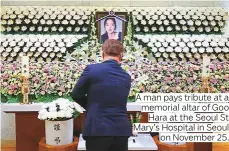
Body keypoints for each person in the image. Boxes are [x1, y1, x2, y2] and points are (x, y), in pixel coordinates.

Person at [71, 39, 132, 151]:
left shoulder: (92, 70)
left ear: (102, 53)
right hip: (120, 130)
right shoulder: (126, 77)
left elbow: (76, 94)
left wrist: (91, 106)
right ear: (121, 55)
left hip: (97, 128)